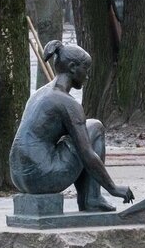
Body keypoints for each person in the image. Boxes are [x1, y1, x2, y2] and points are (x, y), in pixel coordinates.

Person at [9, 40, 134, 212]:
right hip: (43, 175)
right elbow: (87, 154)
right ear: (73, 67)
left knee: (82, 133)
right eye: (86, 70)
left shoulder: (39, 94)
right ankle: (93, 198)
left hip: (18, 175)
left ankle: (91, 198)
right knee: (95, 128)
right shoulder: (67, 103)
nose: (87, 76)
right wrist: (113, 188)